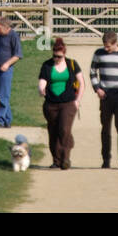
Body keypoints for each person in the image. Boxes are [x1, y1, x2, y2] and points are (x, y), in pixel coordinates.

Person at [89, 30, 118, 169]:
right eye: (104, 45)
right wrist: (97, 88)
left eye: (108, 46)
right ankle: (106, 159)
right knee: (105, 128)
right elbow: (92, 72)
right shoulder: (99, 53)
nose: (106, 48)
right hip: (105, 94)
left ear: (115, 43)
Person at [38, 37, 85, 169]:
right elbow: (42, 80)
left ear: (64, 54)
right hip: (51, 104)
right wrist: (41, 89)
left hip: (68, 102)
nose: (56, 59)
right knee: (53, 131)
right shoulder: (47, 65)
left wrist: (77, 100)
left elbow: (82, 83)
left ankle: (66, 158)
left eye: (59, 56)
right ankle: (56, 160)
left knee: (64, 129)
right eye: (54, 56)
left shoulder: (72, 64)